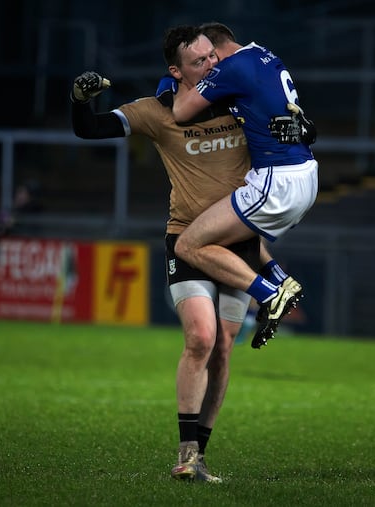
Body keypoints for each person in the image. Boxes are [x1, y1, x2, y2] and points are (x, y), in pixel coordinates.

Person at [70, 25, 295, 483]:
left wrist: (298, 128)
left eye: (213, 56)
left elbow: (287, 128)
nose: (212, 65)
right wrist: (79, 100)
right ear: (176, 70)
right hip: (187, 238)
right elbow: (91, 129)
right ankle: (186, 454)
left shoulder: (236, 99)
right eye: (199, 62)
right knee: (200, 338)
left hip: (237, 244)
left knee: (224, 349)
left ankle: (202, 458)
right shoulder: (158, 111)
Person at [171, 22, 319, 349]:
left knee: (188, 245)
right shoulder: (262, 55)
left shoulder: (232, 67)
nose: (209, 64)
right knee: (230, 228)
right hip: (303, 172)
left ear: (219, 48)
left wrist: (178, 79)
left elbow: (180, 112)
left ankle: (270, 295)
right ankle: (280, 278)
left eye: (210, 56)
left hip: (277, 180)